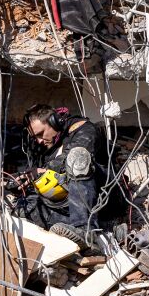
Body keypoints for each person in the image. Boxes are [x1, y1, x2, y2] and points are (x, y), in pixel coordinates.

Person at [21, 104, 101, 243]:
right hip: (68, 205)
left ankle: (85, 230)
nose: (39, 140)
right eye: (35, 137)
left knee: (77, 157)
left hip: (101, 198)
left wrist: (45, 170)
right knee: (26, 211)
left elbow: (76, 156)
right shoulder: (51, 145)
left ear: (54, 122)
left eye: (40, 134)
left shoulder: (85, 129)